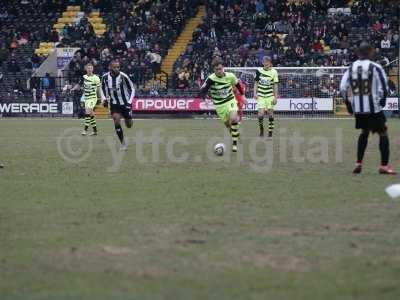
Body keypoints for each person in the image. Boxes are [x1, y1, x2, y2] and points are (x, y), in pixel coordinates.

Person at [340, 41, 396, 175]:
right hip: (373, 108)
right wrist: (382, 101)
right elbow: (385, 87)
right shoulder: (375, 67)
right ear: (371, 52)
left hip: (359, 109)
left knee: (364, 132)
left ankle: (358, 163)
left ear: (358, 53)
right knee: (383, 132)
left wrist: (348, 104)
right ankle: (384, 166)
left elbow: (342, 87)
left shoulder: (351, 67)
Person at [198, 58, 245, 152]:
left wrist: (243, 95)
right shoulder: (211, 79)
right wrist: (205, 98)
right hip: (219, 105)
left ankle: (234, 145)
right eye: (216, 69)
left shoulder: (230, 76)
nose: (219, 71)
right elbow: (202, 91)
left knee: (233, 118)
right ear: (213, 70)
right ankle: (236, 134)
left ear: (223, 67)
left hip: (230, 100)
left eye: (220, 68)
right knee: (229, 126)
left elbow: (238, 85)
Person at [101, 60, 135, 151]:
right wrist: (104, 99)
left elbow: (132, 88)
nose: (117, 69)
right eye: (115, 67)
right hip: (114, 104)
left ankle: (129, 118)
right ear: (110, 67)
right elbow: (101, 88)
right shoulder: (104, 77)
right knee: (116, 119)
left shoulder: (123, 76)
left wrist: (129, 102)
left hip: (125, 103)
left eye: (118, 67)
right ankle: (123, 144)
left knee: (129, 125)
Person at [71, 63, 102, 136]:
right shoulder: (83, 77)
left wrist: (100, 98)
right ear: (86, 69)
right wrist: (73, 88)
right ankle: (95, 131)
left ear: (93, 69)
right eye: (88, 68)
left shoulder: (96, 78)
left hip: (93, 98)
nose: (89, 69)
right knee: (91, 114)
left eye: (91, 68)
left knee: (87, 112)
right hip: (86, 98)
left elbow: (98, 89)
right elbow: (78, 85)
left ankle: (85, 130)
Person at [254, 56, 279, 137]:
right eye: (265, 62)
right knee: (260, 114)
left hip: (269, 96)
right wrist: (255, 93)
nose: (266, 64)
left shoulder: (274, 72)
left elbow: (275, 85)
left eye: (267, 63)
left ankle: (270, 132)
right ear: (263, 63)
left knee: (270, 114)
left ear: (270, 63)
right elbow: (256, 83)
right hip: (261, 95)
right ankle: (261, 130)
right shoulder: (258, 71)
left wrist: (275, 97)